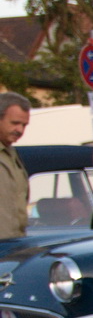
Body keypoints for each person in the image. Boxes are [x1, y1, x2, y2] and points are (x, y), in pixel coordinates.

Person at [0, 91, 29, 241]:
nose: (20, 130)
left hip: (13, 245)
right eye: (15, 123)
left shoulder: (11, 154)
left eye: (24, 125)